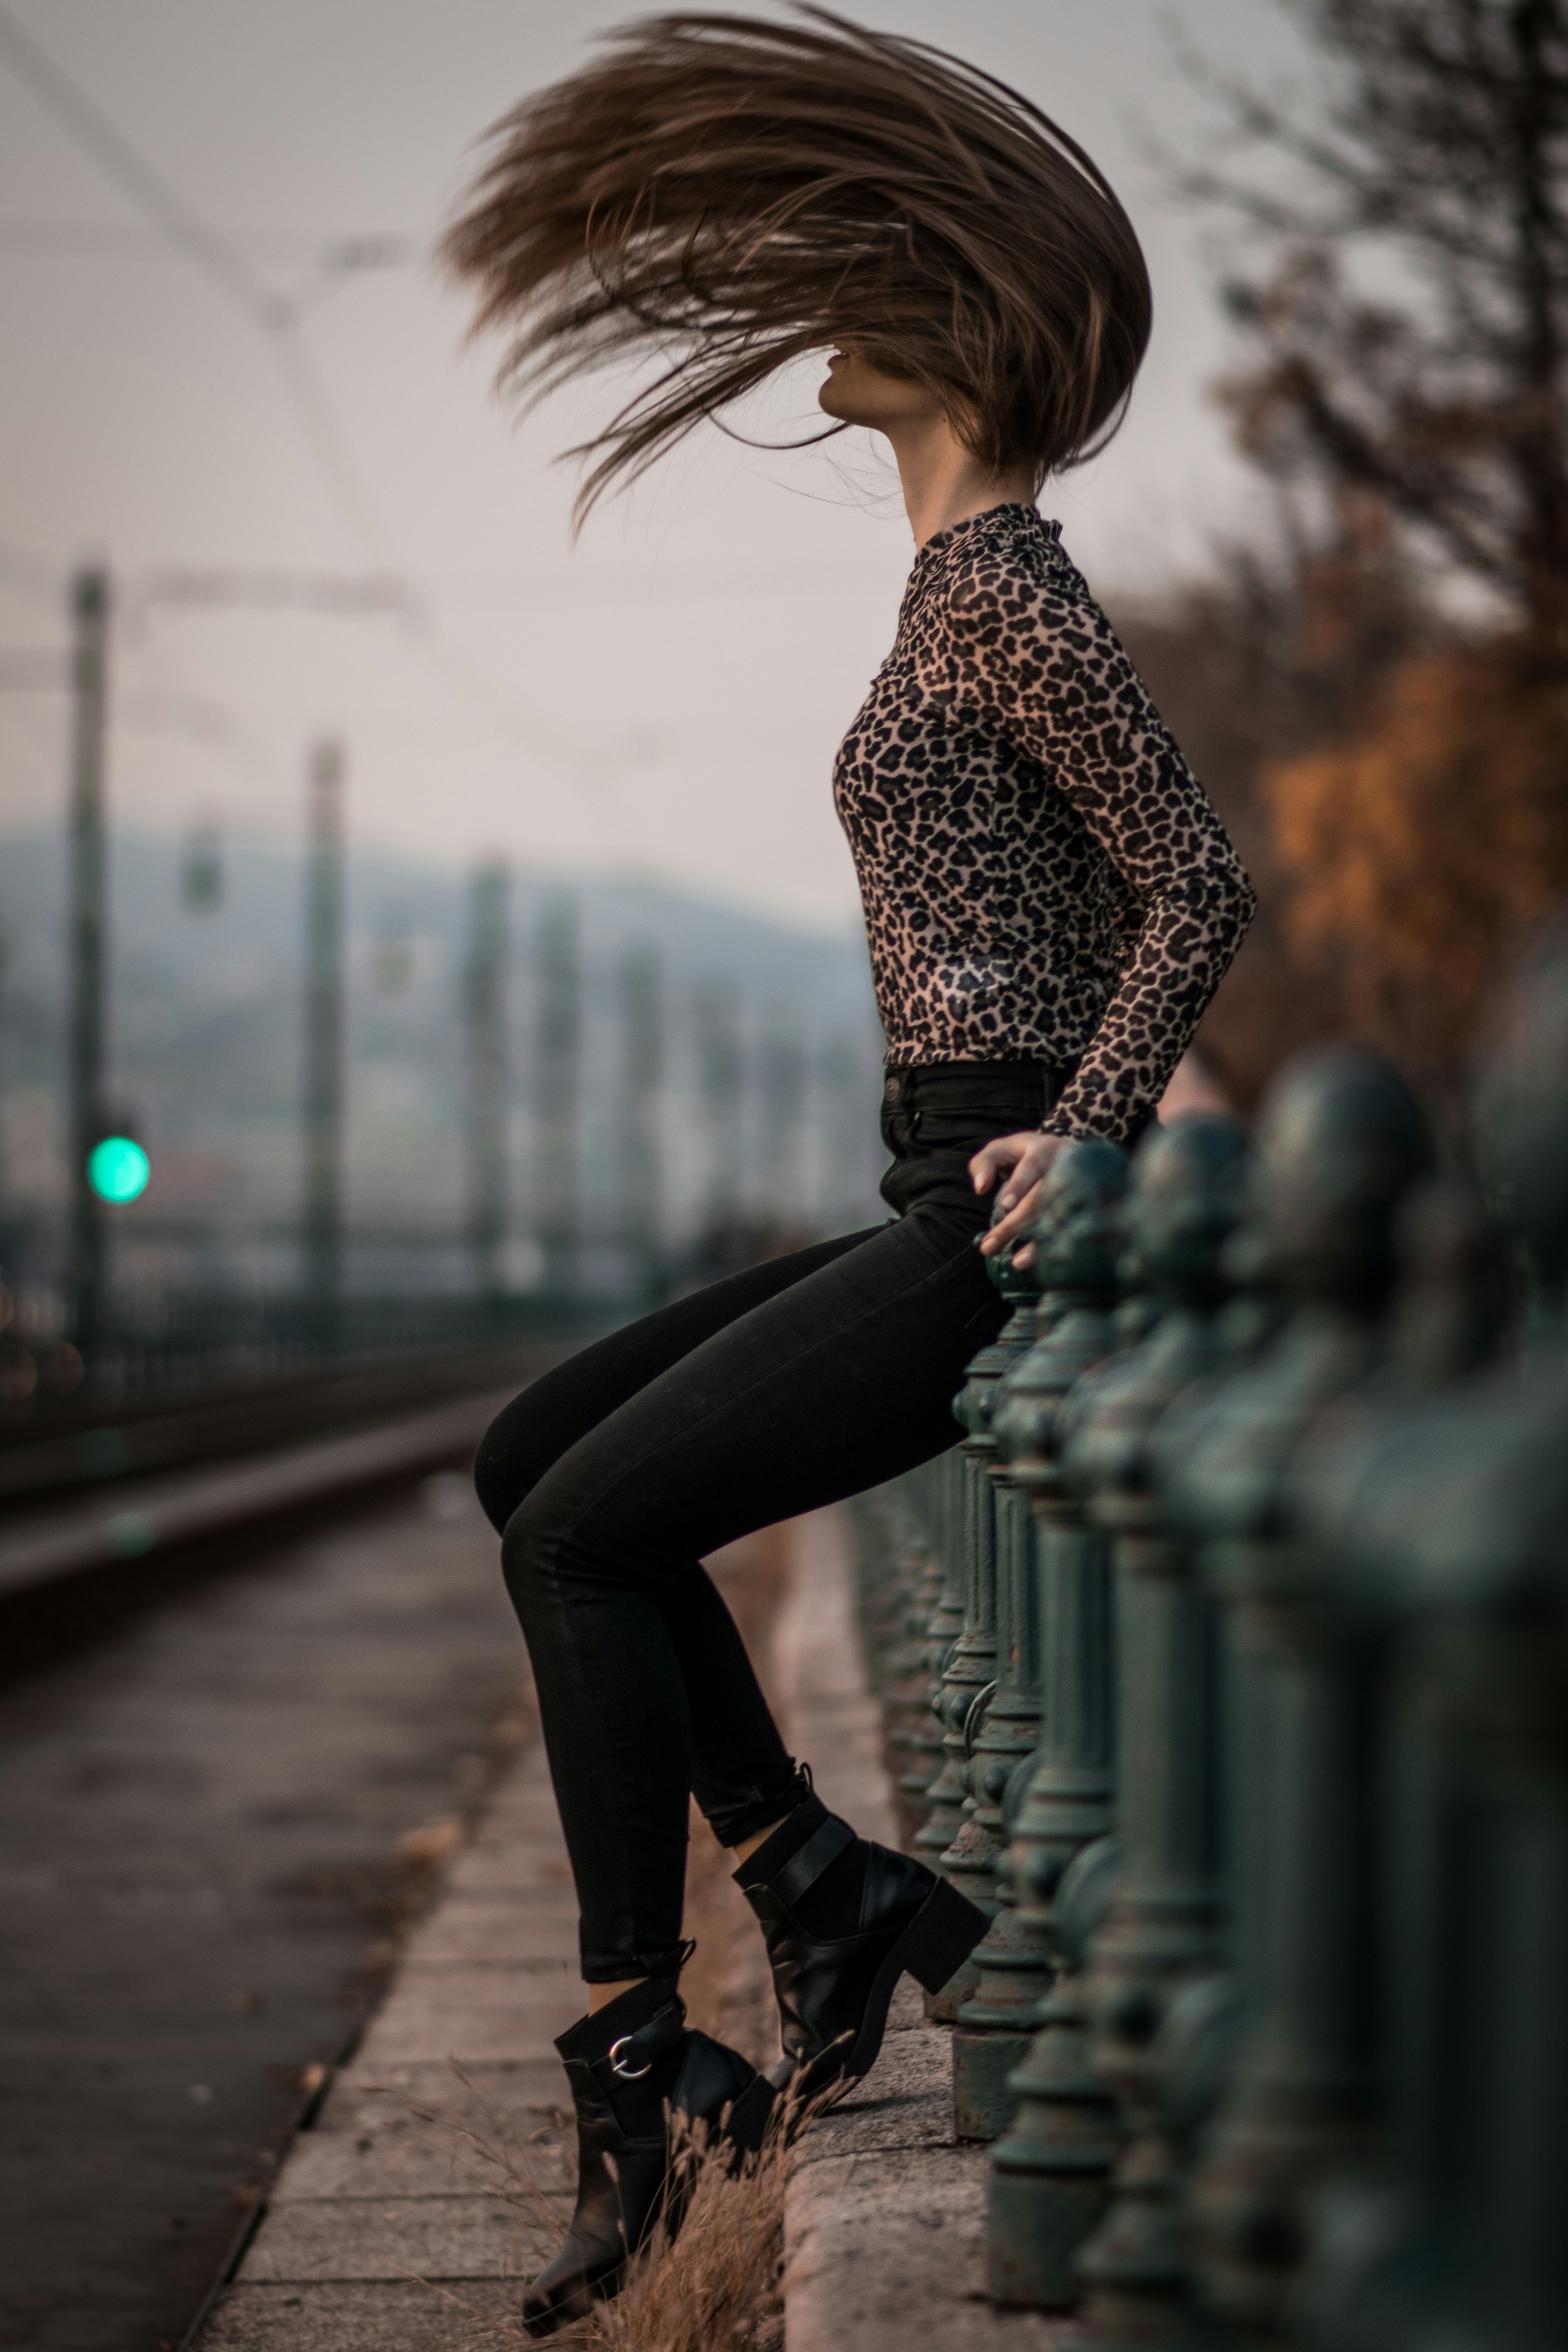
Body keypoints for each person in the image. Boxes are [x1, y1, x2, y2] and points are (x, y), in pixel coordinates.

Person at [445, 12, 1255, 2335]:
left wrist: (1083, 1130)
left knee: (585, 1535)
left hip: (980, 1214)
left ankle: (642, 2051)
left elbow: (1195, 879)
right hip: (926, 1183)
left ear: (960, 329)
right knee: (532, 1462)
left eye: (870, 277)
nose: (820, 312)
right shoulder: (949, 589)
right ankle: (819, 1882)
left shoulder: (1007, 587)